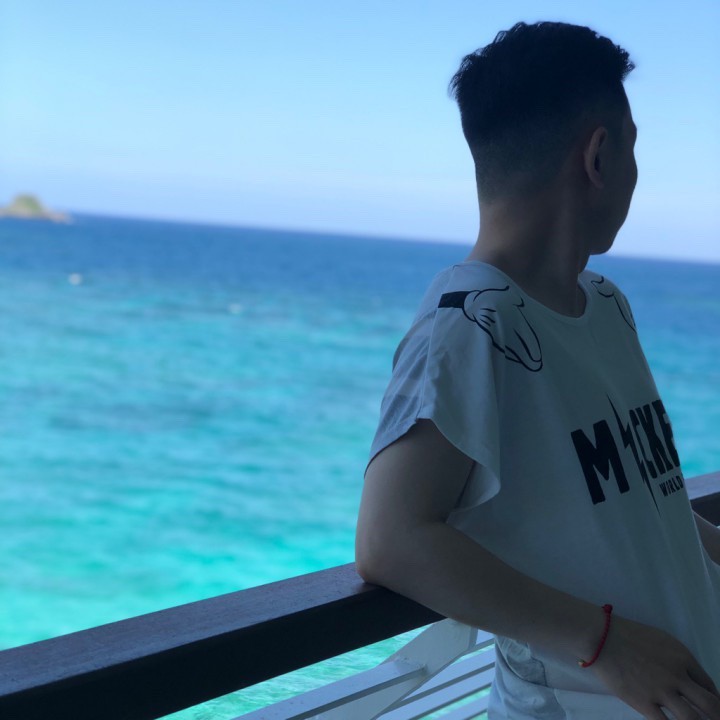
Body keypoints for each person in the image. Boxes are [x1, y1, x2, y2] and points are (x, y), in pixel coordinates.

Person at [355, 20, 720, 720]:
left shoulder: (605, 306)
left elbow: (641, 501)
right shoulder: (467, 324)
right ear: (599, 155)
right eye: (634, 146)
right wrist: (605, 644)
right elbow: (389, 541)